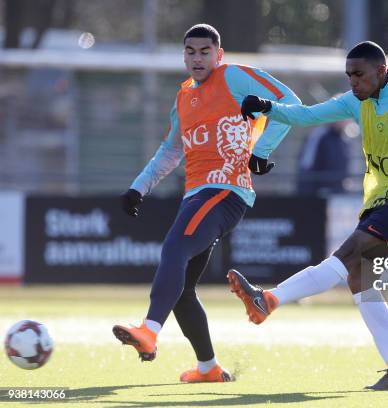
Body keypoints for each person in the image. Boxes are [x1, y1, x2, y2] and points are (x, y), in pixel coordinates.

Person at [228, 41, 388, 390]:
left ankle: (269, 299)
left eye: (359, 74)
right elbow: (305, 115)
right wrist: (267, 107)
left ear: (381, 72)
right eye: (349, 75)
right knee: (359, 279)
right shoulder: (357, 102)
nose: (353, 81)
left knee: (349, 255)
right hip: (382, 201)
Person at [112, 23, 300, 383]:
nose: (197, 58)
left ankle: (149, 332)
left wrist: (261, 150)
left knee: (174, 248)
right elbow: (171, 149)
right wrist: (138, 188)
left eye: (204, 51)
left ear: (219, 54)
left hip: (226, 191)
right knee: (181, 290)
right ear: (183, 55)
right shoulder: (183, 96)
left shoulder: (235, 77)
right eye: (190, 51)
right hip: (198, 194)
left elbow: (291, 103)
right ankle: (208, 368)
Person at [296, 120, 350, 195]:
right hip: (318, 194)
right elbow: (306, 166)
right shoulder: (318, 135)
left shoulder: (343, 138)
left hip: (337, 192)